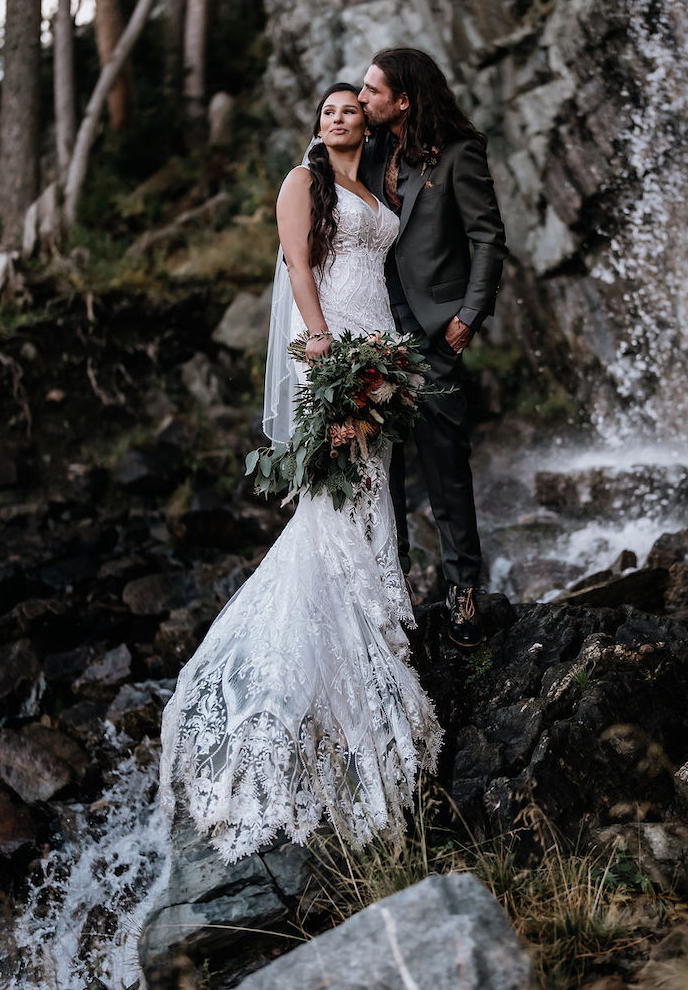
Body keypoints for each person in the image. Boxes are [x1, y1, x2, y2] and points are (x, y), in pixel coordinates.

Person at [159, 83, 442, 866]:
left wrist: (386, 356)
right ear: (318, 125)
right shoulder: (305, 180)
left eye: (351, 107)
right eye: (328, 110)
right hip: (339, 347)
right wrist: (325, 346)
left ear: (368, 120)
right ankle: (335, 655)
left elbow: (384, 257)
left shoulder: (372, 184)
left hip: (380, 345)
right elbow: (297, 262)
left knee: (370, 487)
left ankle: (372, 626)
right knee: (339, 494)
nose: (339, 116)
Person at [358, 48, 508, 649]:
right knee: (380, 467)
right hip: (369, 329)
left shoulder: (458, 155)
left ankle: (463, 589)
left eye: (373, 91)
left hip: (436, 333)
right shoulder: (366, 153)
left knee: (444, 463)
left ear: (404, 101)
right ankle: (393, 586)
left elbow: (488, 237)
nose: (364, 99)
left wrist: (469, 315)